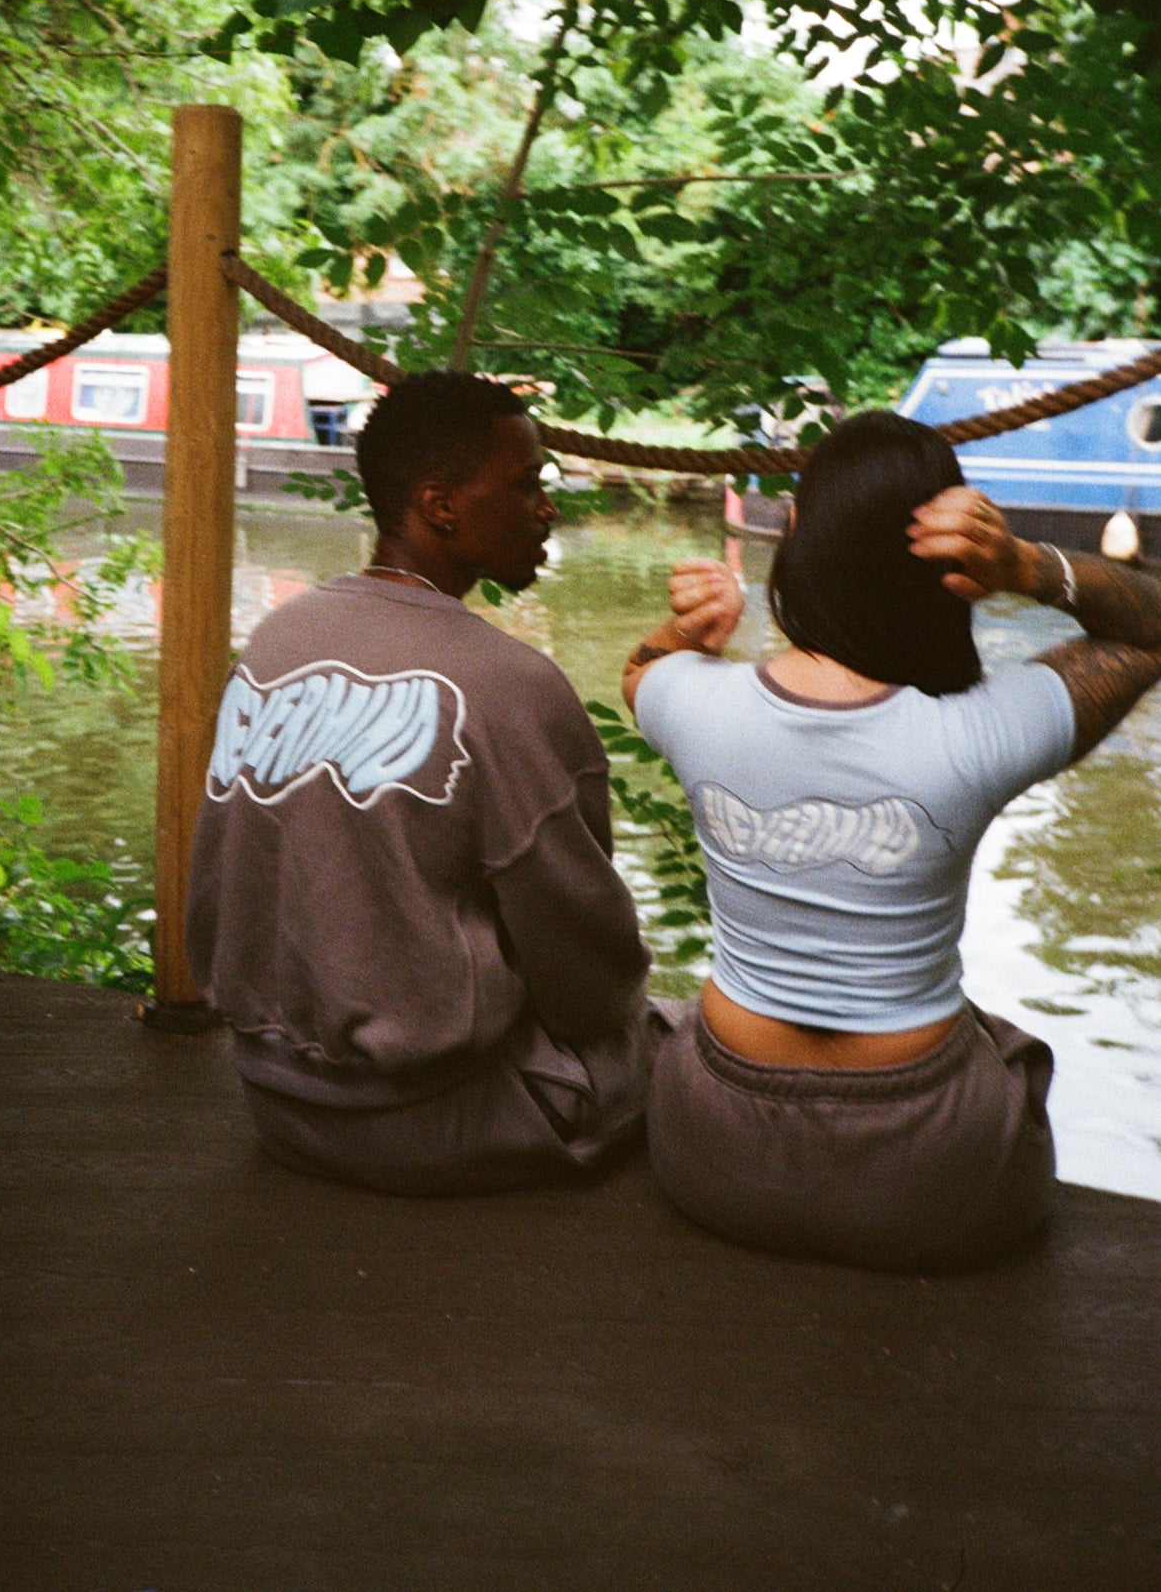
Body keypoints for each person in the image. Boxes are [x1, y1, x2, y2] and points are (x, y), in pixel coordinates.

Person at [626, 409, 1161, 1271]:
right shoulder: (986, 731)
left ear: (797, 537)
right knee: (1006, 1053)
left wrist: (692, 631)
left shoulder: (694, 702)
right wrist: (1026, 566)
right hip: (926, 1178)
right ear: (954, 569)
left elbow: (640, 671)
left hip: (712, 1152)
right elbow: (1150, 625)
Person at [187, 369, 699, 1196]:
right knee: (699, 1040)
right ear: (440, 505)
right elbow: (588, 970)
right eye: (527, 482)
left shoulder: (276, 642)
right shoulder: (508, 683)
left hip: (275, 1100)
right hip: (434, 1122)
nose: (546, 505)